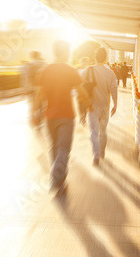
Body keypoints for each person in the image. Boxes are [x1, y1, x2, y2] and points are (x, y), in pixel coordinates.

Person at [39, 40, 90, 194]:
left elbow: (40, 93)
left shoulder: (46, 70)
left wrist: (35, 112)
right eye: (68, 51)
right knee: (63, 149)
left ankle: (60, 181)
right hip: (66, 116)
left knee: (54, 147)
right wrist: (89, 104)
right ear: (65, 52)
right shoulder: (70, 70)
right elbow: (80, 90)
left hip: (50, 116)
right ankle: (56, 178)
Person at [82, 47, 118, 166]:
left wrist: (86, 104)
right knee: (103, 130)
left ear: (95, 57)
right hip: (105, 106)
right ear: (106, 58)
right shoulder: (110, 72)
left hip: (92, 106)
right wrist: (115, 104)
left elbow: (80, 87)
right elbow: (114, 89)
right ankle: (102, 152)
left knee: (94, 131)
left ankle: (96, 155)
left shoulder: (87, 70)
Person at [25, 51, 47, 128]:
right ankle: (40, 121)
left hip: (33, 88)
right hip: (43, 88)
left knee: (34, 104)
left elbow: (27, 77)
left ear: (32, 56)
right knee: (42, 104)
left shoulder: (29, 65)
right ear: (39, 55)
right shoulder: (44, 64)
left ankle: (35, 119)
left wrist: (28, 88)